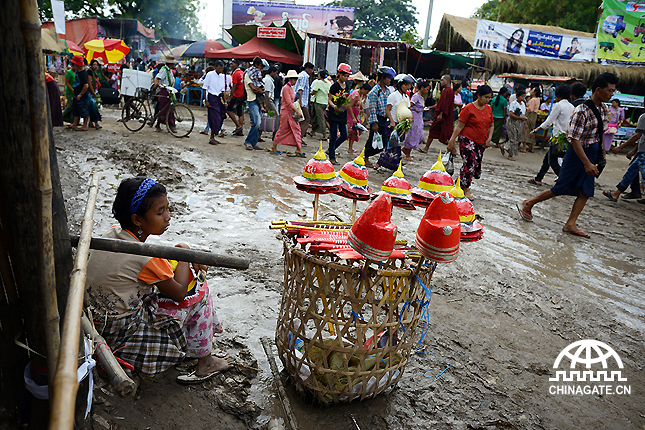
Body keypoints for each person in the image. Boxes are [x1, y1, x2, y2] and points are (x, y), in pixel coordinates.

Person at [84, 177, 229, 382]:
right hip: (119, 332)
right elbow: (178, 293)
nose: (167, 217)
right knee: (199, 292)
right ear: (137, 220)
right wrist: (185, 252)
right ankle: (205, 361)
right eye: (160, 212)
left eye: (167, 209)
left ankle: (198, 347)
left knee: (166, 286)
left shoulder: (112, 232)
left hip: (94, 318)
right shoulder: (145, 257)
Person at [519, 73, 618, 238]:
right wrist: (586, 163)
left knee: (586, 191)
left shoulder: (604, 109)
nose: (612, 94)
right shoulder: (581, 110)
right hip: (577, 154)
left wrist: (602, 154)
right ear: (599, 90)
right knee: (561, 187)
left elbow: (600, 132)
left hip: (593, 153)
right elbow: (574, 139)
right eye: (610, 91)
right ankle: (529, 203)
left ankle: (570, 223)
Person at [446, 85, 494, 200]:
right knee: (470, 163)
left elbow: (491, 125)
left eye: (489, 98)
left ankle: (459, 182)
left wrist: (489, 138)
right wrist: (452, 140)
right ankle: (466, 189)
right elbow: (459, 126)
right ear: (479, 95)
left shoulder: (488, 109)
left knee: (476, 165)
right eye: (486, 97)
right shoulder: (468, 108)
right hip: (467, 139)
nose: (487, 100)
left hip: (481, 141)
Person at [527, 85, 574, 186]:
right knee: (547, 160)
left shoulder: (558, 105)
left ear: (558, 95)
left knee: (552, 160)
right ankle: (538, 178)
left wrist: (535, 131)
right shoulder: (572, 106)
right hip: (566, 138)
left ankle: (564, 180)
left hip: (557, 138)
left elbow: (548, 122)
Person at [603, 111, 645, 203]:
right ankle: (616, 193)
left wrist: (621, 147)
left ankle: (617, 193)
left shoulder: (643, 117)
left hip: (643, 152)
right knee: (631, 172)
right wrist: (634, 150)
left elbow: (638, 135)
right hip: (641, 150)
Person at [364, 67, 395, 168]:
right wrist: (374, 123)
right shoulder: (374, 92)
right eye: (388, 78)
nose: (389, 80)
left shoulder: (388, 91)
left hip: (385, 119)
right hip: (377, 118)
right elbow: (372, 109)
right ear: (382, 78)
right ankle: (366, 157)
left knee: (385, 141)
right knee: (372, 139)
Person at [270, 70, 304, 156]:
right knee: (283, 130)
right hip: (286, 113)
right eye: (294, 79)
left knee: (296, 130)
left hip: (290, 112)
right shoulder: (286, 88)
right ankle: (274, 147)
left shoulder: (290, 88)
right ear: (290, 79)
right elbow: (289, 103)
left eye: (296, 79)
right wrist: (297, 111)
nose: (295, 81)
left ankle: (298, 149)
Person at [327, 63, 353, 165]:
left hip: (342, 114)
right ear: (339, 74)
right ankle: (332, 157)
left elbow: (347, 98)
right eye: (344, 75)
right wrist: (334, 106)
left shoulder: (347, 86)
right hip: (334, 114)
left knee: (344, 135)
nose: (345, 78)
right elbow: (329, 100)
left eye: (347, 76)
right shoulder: (334, 86)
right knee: (333, 135)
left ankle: (331, 149)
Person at [421, 75, 454, 152]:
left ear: (447, 81)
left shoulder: (448, 91)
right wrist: (432, 107)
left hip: (443, 115)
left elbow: (445, 104)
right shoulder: (446, 90)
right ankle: (426, 148)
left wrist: (441, 114)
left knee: (445, 132)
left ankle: (426, 148)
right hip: (443, 115)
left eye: (442, 80)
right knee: (446, 132)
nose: (441, 82)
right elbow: (441, 103)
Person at [403, 80, 430, 160]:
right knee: (412, 135)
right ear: (422, 88)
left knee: (416, 134)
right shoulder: (415, 96)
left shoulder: (420, 96)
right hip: (414, 117)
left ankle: (406, 150)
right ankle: (407, 154)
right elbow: (410, 106)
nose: (427, 91)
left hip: (419, 117)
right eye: (427, 89)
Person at [243, 57, 266, 150]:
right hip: (252, 99)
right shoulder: (248, 75)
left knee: (257, 123)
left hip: (257, 99)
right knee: (256, 122)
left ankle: (253, 142)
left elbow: (259, 87)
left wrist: (260, 90)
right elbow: (254, 88)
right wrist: (261, 90)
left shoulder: (255, 73)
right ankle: (248, 141)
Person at [203, 60, 227, 145]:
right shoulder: (210, 75)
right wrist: (206, 101)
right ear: (215, 67)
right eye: (219, 68)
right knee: (214, 118)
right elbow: (205, 88)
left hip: (218, 98)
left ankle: (213, 136)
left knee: (221, 117)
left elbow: (222, 90)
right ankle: (212, 137)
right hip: (211, 98)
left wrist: (225, 101)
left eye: (222, 68)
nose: (221, 70)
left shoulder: (221, 76)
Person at [502, 87, 527, 161]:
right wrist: (520, 118)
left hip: (520, 123)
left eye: (524, 96)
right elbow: (511, 114)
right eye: (522, 96)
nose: (523, 97)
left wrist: (525, 124)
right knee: (513, 138)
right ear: (517, 96)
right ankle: (510, 154)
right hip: (513, 122)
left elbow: (523, 114)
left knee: (517, 139)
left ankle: (504, 146)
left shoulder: (523, 104)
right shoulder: (513, 104)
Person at [154, 57, 177, 134]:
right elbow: (157, 78)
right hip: (164, 91)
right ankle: (169, 125)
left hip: (169, 90)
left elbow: (173, 80)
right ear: (170, 64)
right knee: (164, 109)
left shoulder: (170, 71)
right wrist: (158, 84)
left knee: (170, 108)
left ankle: (165, 124)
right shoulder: (163, 70)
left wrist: (172, 86)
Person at [347, 82, 370, 154]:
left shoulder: (360, 94)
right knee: (348, 130)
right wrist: (353, 118)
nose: (367, 93)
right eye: (366, 91)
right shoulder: (355, 94)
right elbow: (349, 106)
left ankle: (350, 148)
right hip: (350, 114)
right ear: (363, 89)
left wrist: (361, 108)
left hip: (355, 114)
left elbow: (359, 103)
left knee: (354, 131)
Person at [69, 55, 89, 131]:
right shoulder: (78, 71)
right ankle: (74, 124)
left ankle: (85, 125)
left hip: (82, 95)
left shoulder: (83, 73)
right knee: (76, 110)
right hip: (77, 93)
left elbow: (86, 85)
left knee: (83, 110)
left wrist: (80, 94)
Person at [295, 62, 314, 140]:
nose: (312, 71)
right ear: (308, 68)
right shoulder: (304, 76)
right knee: (306, 119)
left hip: (302, 100)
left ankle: (298, 134)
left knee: (301, 119)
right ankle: (300, 136)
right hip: (302, 101)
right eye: (311, 69)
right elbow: (300, 88)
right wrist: (300, 100)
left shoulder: (302, 75)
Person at [309, 69, 331, 139]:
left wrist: (309, 93)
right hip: (325, 102)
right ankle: (312, 131)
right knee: (315, 117)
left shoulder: (318, 82)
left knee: (320, 118)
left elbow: (314, 92)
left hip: (318, 102)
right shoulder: (328, 83)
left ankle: (324, 134)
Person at [226, 59, 245, 136]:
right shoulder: (242, 73)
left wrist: (230, 97)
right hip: (243, 95)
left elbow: (234, 86)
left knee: (228, 110)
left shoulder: (235, 74)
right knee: (240, 112)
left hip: (237, 95)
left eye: (232, 64)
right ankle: (240, 131)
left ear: (237, 64)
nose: (231, 66)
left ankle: (238, 126)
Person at [521, 87, 541, 153]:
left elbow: (530, 109)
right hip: (534, 116)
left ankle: (524, 148)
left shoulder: (533, 100)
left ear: (534, 93)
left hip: (529, 115)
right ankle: (532, 147)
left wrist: (524, 106)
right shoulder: (538, 99)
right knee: (532, 130)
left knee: (526, 130)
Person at [263, 66, 279, 140]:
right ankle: (275, 135)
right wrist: (266, 104)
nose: (276, 75)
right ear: (272, 72)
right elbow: (267, 93)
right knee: (276, 117)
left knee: (262, 117)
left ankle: (259, 135)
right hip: (268, 99)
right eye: (276, 73)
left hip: (268, 99)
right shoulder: (268, 80)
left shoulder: (268, 79)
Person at [88, 59, 103, 130]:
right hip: (90, 93)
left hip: (95, 92)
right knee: (94, 108)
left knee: (93, 107)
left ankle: (90, 122)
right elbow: (89, 84)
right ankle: (96, 123)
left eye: (97, 65)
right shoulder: (90, 72)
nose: (96, 66)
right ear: (91, 65)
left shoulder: (95, 73)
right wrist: (93, 93)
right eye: (94, 64)